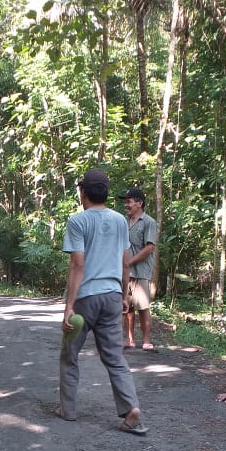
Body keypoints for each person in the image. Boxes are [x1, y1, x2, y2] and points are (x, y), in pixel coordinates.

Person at [58, 168, 147, 435]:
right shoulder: (121, 220)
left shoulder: (78, 221)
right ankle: (131, 409)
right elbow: (125, 263)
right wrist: (123, 295)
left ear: (82, 191)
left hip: (85, 300)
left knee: (69, 355)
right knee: (114, 357)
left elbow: (77, 265)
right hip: (111, 298)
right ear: (106, 192)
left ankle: (68, 410)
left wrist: (69, 306)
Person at [116, 187, 158, 350]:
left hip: (141, 271)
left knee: (143, 306)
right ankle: (130, 339)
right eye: (125, 202)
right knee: (126, 306)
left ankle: (146, 340)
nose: (126, 205)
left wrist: (130, 262)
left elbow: (149, 248)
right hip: (124, 271)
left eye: (129, 202)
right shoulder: (123, 222)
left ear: (139, 203)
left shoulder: (149, 222)